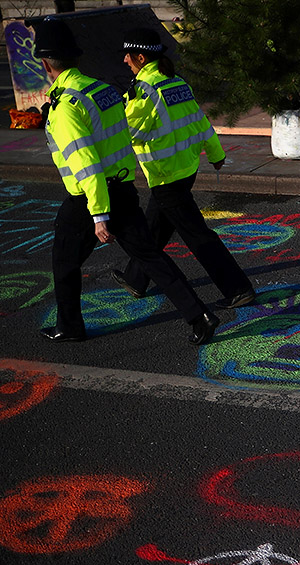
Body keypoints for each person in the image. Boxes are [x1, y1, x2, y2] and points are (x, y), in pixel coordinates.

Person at [33, 16, 218, 344]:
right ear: (76, 58)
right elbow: (119, 142)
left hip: (90, 199)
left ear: (46, 64)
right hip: (123, 189)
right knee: (151, 257)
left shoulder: (65, 107)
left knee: (64, 263)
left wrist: (99, 214)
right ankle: (199, 315)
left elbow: (85, 162)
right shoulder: (103, 91)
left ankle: (70, 327)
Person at [113, 27, 256, 311]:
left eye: (128, 56)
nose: (124, 61)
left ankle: (238, 288)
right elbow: (200, 122)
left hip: (166, 174)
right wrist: (216, 153)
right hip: (185, 168)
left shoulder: (144, 91)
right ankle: (136, 278)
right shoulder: (176, 82)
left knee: (197, 235)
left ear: (141, 57)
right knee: (155, 227)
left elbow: (128, 133)